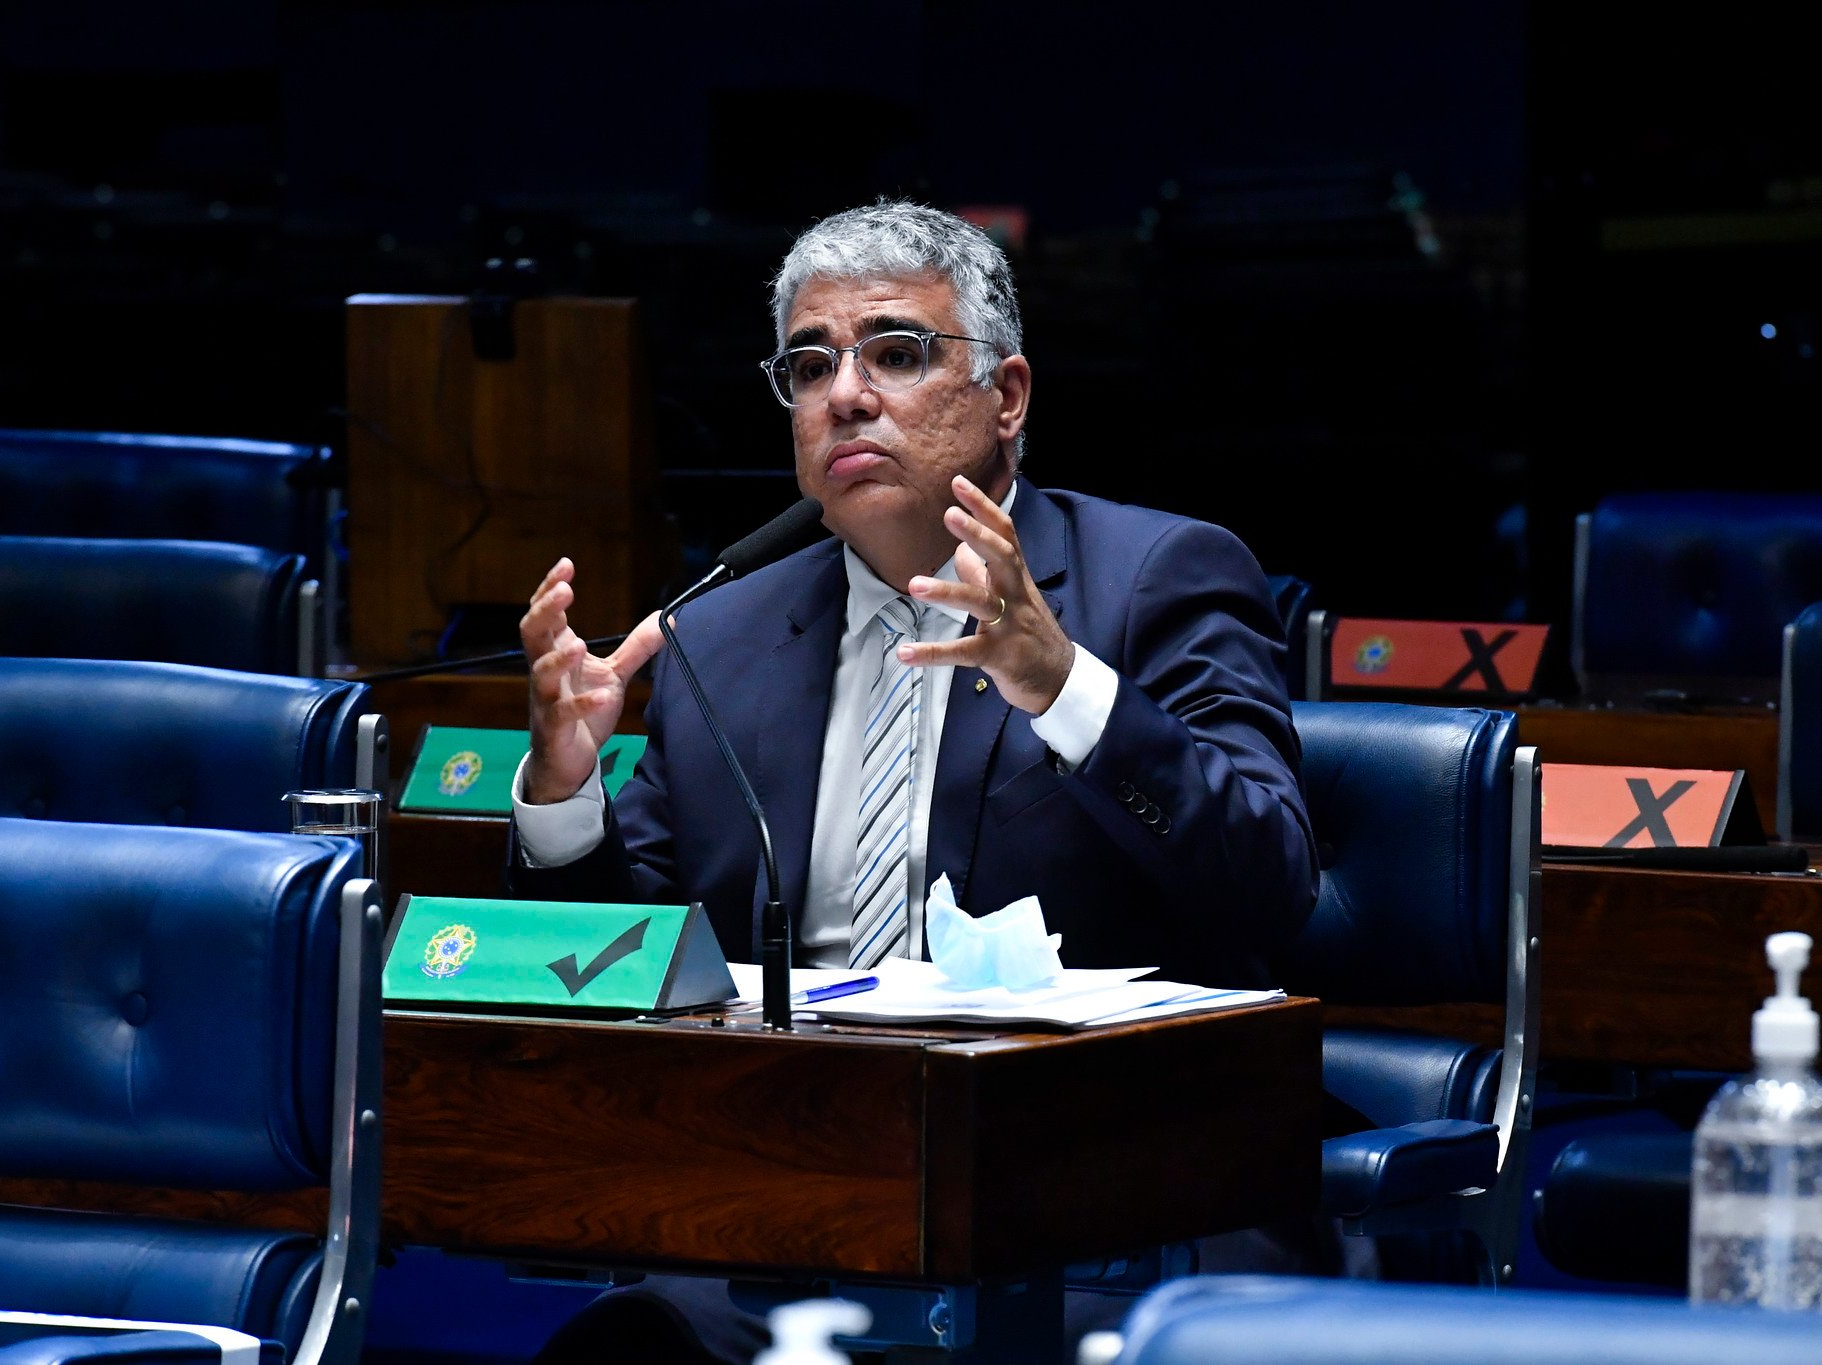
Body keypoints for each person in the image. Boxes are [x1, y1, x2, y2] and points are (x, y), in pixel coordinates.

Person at [507, 199, 1320, 1364]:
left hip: (1108, 1210)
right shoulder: (714, 642)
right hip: (790, 1209)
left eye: (896, 353)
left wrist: (1065, 687)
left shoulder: (1153, 580)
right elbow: (614, 976)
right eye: (809, 365)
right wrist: (563, 789)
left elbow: (1265, 884)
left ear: (1008, 396)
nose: (845, 395)